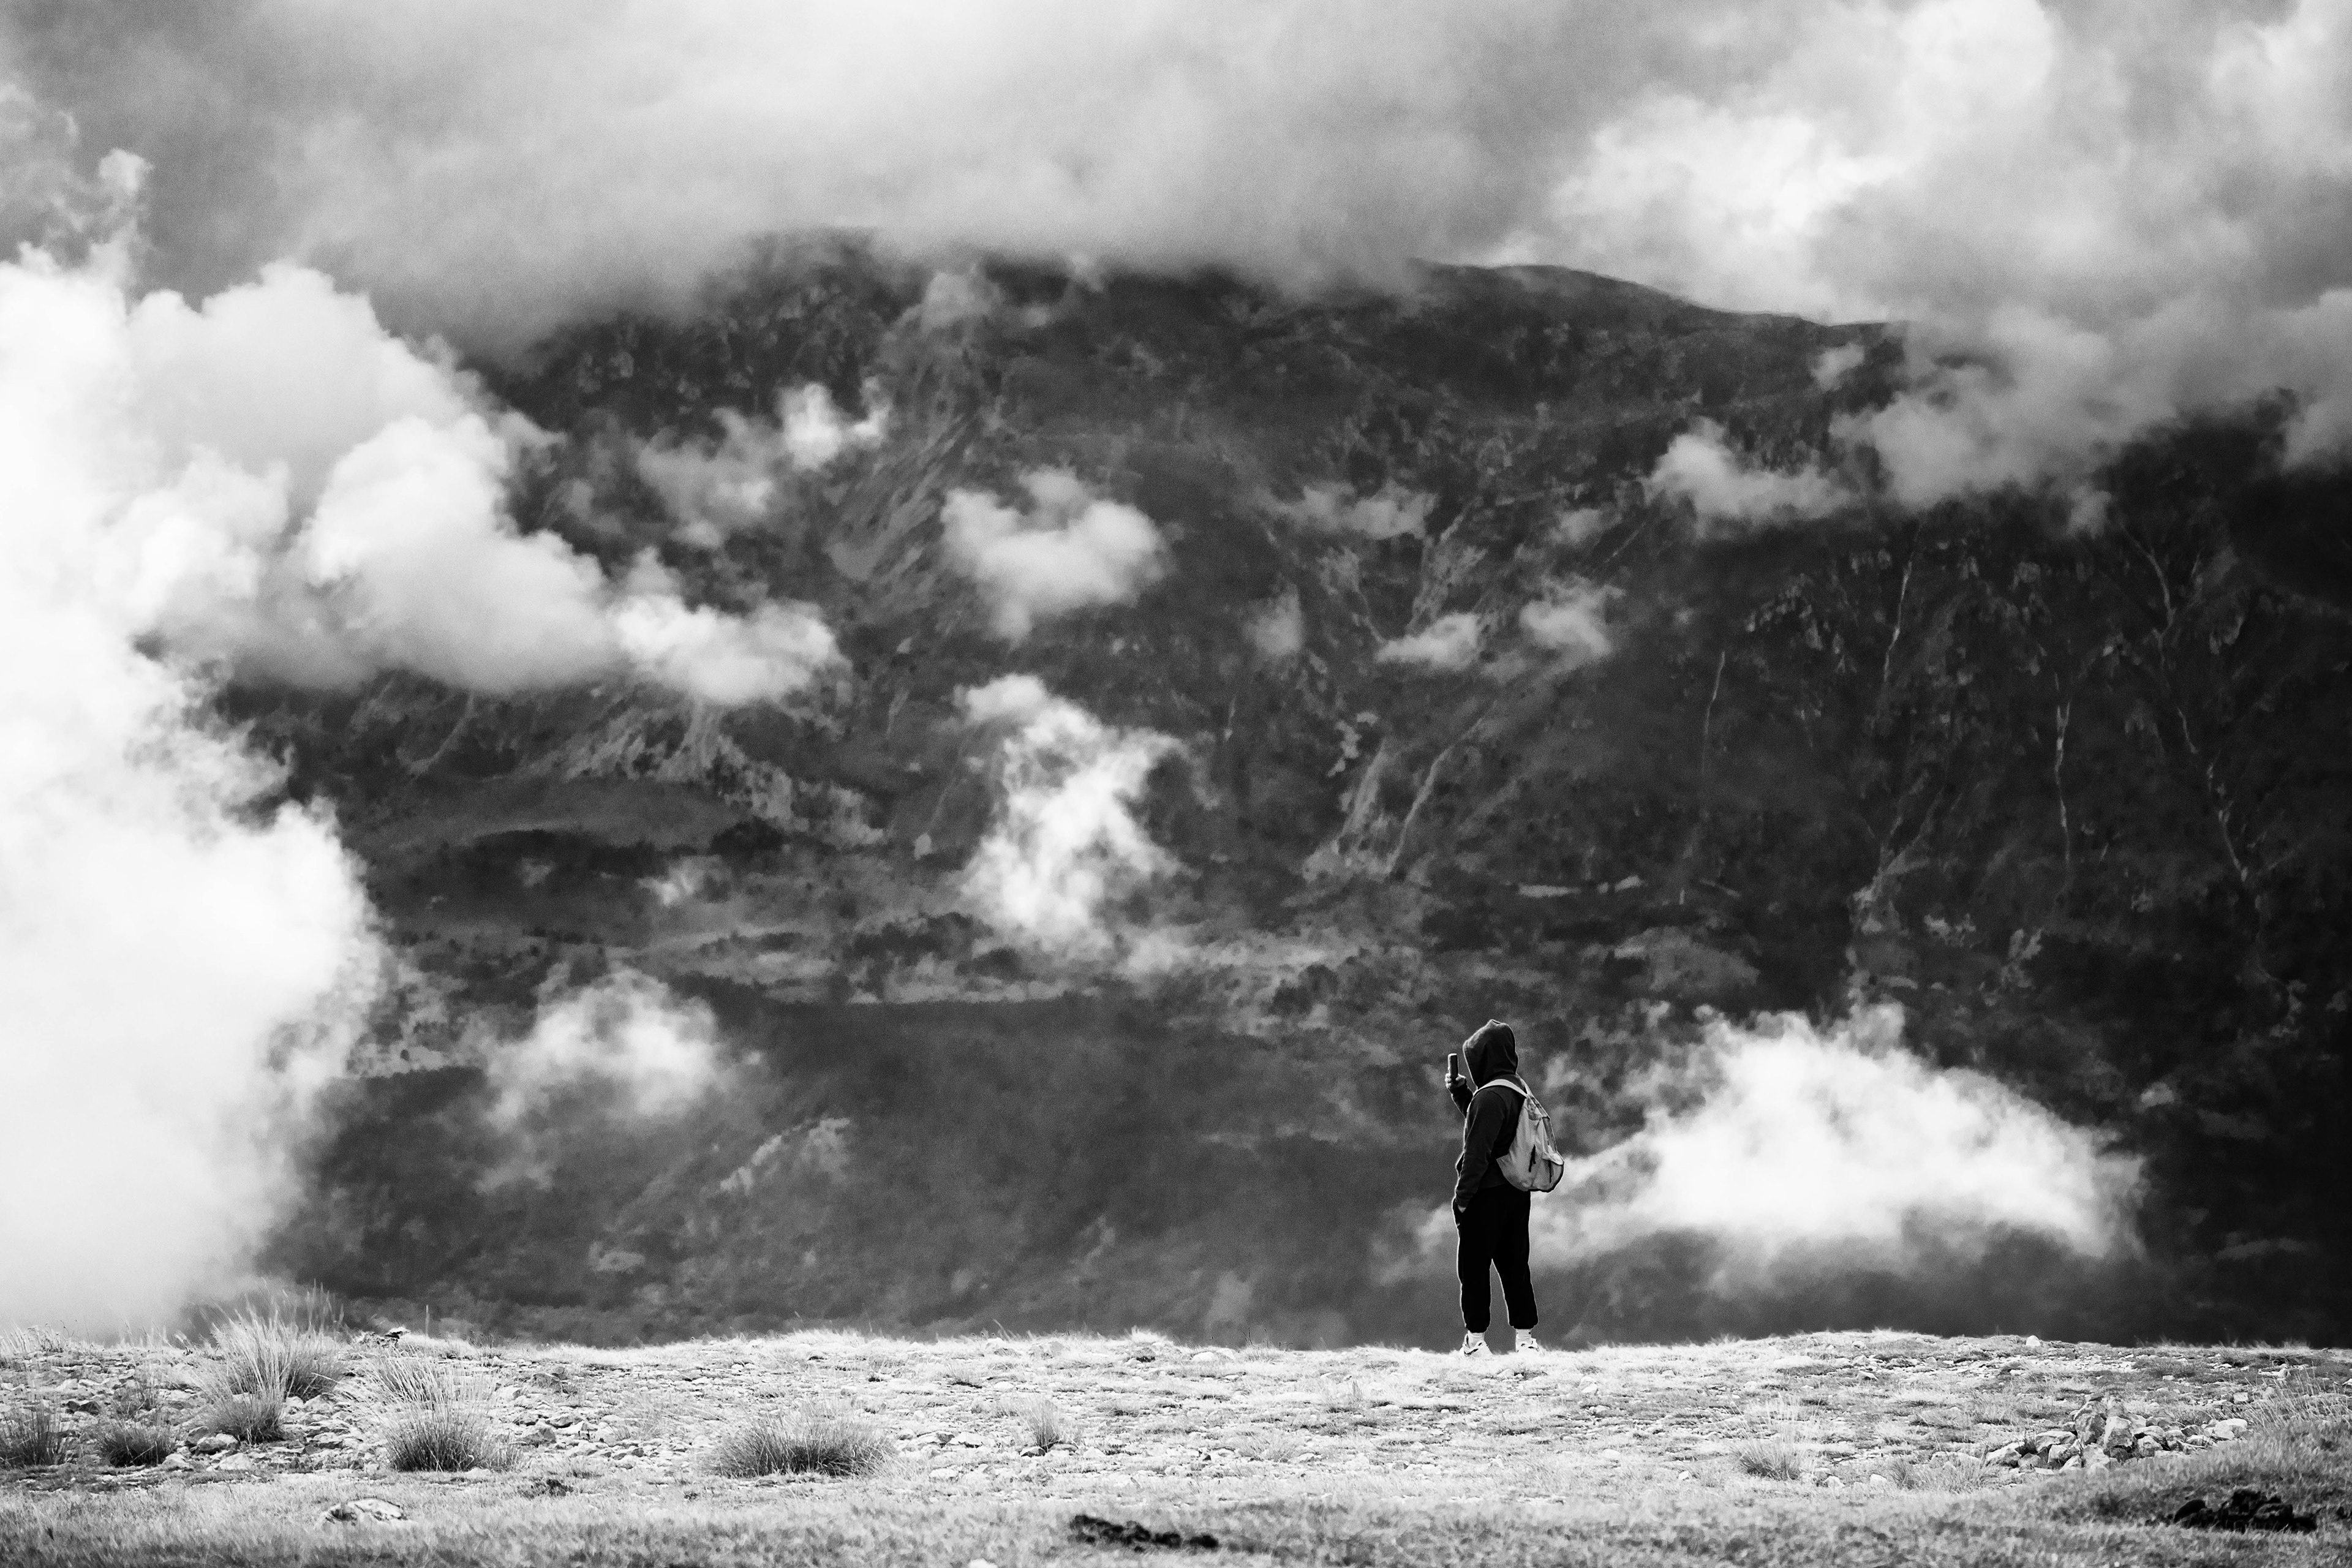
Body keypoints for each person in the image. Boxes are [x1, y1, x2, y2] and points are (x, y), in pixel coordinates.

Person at [1446, 1018, 1539, 1355]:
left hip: (1485, 1196)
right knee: (1515, 1266)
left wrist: (1462, 1200)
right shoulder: (1518, 1089)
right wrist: (1461, 1094)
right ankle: (1526, 1340)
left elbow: (1477, 1153)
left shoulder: (1488, 1098)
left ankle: (1475, 1342)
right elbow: (1493, 1128)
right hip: (1517, 1191)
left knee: (1474, 1269)